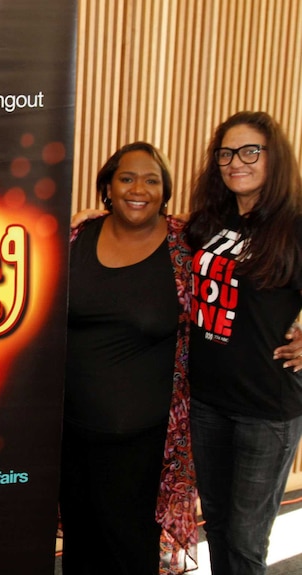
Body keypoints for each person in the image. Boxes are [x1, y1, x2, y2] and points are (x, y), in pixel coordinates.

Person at [61, 142, 197, 574]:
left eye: (151, 179)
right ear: (107, 186)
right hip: (70, 436)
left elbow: (257, 274)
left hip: (142, 445)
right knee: (80, 548)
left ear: (165, 190)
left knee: (130, 552)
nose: (139, 188)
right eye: (127, 178)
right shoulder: (77, 237)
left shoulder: (187, 248)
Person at [186, 111, 302, 575]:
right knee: (215, 525)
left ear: (275, 158)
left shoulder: (293, 225)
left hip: (266, 407)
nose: (237, 162)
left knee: (246, 541)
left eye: (251, 151)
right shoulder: (208, 223)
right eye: (227, 153)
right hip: (208, 401)